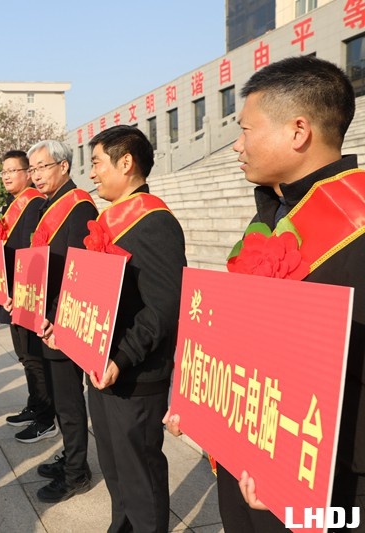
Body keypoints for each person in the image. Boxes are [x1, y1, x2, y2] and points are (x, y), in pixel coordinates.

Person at [165, 55, 365, 531]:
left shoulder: (353, 220)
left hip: (335, 478)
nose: (236, 146)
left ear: (298, 131)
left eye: (246, 129)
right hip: (253, 456)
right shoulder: (274, 213)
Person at [85, 125, 186, 532]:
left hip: (135, 374)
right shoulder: (111, 219)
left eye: (96, 162)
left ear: (125, 162)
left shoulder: (154, 222)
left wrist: (123, 356)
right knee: (115, 470)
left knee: (141, 476)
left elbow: (164, 306)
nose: (91, 173)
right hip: (103, 370)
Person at [29, 139, 97, 502]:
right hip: (47, 315)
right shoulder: (50, 205)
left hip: (63, 320)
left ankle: (77, 474)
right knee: (59, 397)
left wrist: (58, 318)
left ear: (64, 167)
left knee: (69, 402)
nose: (36, 175)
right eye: (33, 169)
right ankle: (71, 457)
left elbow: (80, 271)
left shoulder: (78, 207)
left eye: (43, 167)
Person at [0, 150, 54, 442]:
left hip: (26, 294)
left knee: (34, 357)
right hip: (12, 294)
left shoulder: (33, 206)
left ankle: (46, 417)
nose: (6, 175)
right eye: (3, 171)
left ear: (27, 173)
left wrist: (20, 292)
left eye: (12, 170)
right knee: (24, 356)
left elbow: (33, 255)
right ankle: (35, 405)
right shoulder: (14, 205)